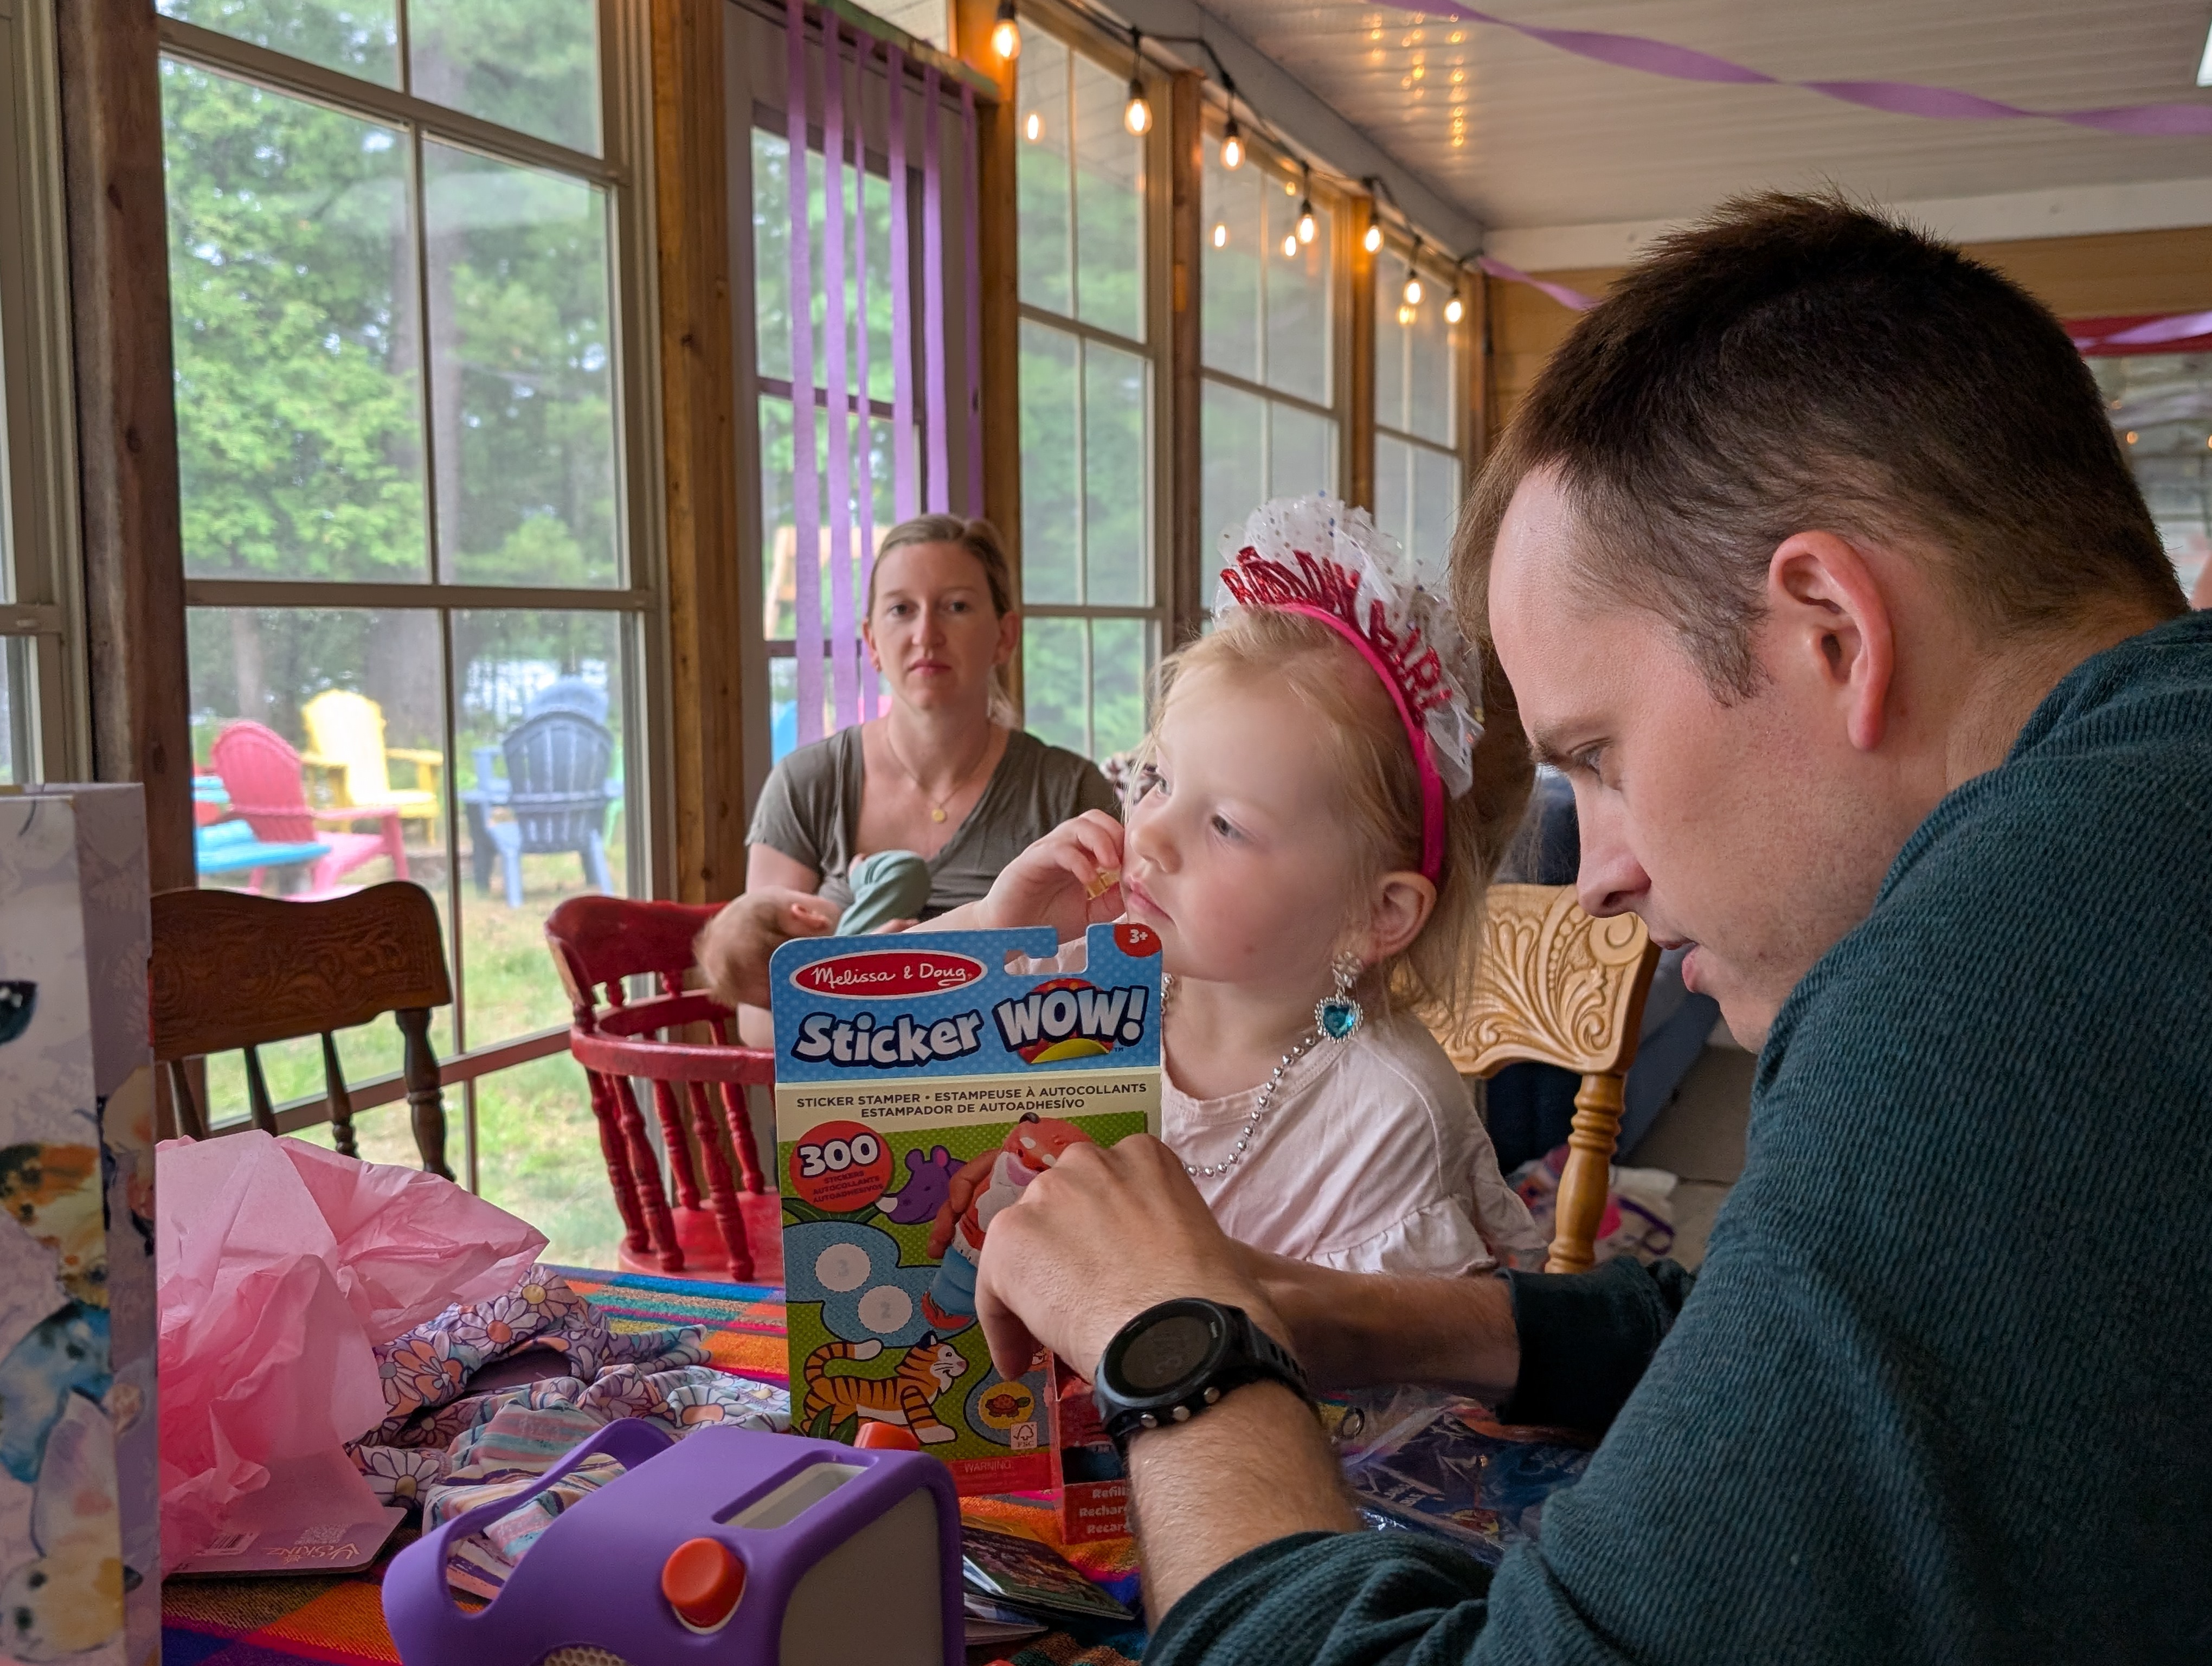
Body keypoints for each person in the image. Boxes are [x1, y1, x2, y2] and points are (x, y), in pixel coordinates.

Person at [951, 194, 2212, 1662]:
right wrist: (1366, 1319)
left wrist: (1178, 1341)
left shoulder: (2001, 983)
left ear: (1831, 630)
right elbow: (1791, 1333)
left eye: (1598, 755)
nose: (1596, 874)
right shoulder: (2137, 846)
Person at [918, 498, 1541, 1279]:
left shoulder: (1387, 1116)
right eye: (1156, 778)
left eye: (1225, 826)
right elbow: (831, 1040)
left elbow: (1357, 1352)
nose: (1149, 834)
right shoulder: (1090, 979)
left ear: (1376, 913)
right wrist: (993, 928)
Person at [702, 515, 1116, 1021]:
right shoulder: (805, 784)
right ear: (872, 641)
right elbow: (759, 1021)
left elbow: (1120, 980)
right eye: (901, 609)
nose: (926, 635)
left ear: (1005, 636)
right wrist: (872, 978)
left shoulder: (1069, 791)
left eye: (956, 607)